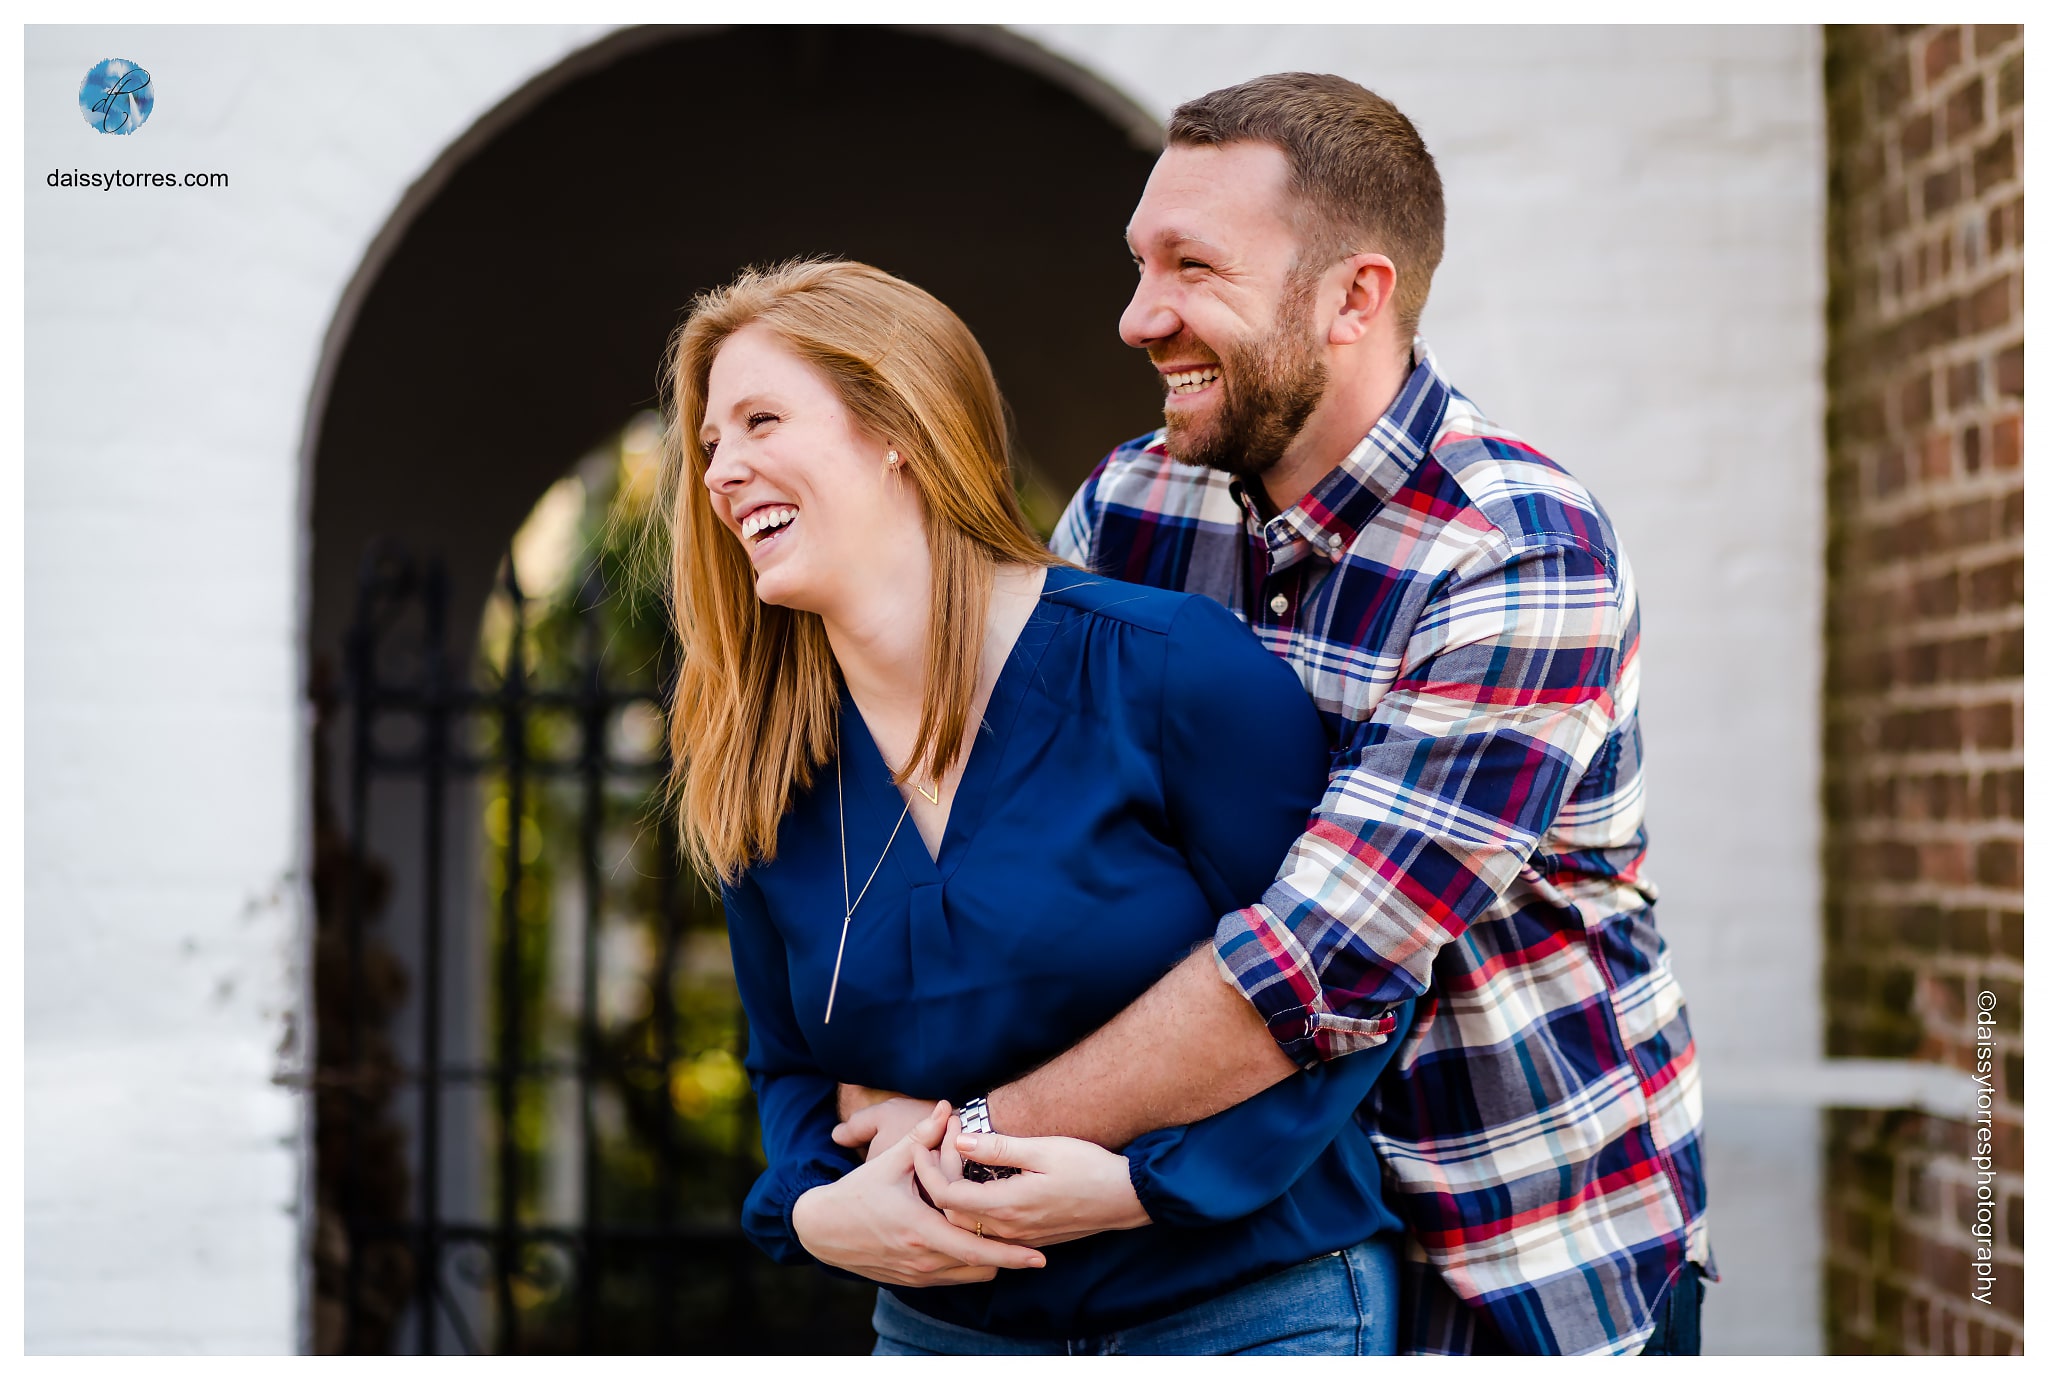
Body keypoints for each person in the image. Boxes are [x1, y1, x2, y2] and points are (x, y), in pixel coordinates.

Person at [835, 72, 1713, 1355]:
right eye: (1139, 265)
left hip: (1512, 1253)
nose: (1138, 318)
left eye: (1193, 268)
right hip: (1239, 1254)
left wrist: (966, 1138)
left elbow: (1314, 967)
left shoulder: (1516, 554)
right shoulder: (1129, 512)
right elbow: (1042, 865)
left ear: (1356, 296)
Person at [659, 257, 1415, 1354]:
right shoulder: (762, 763)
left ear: (895, 426)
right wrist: (818, 1211)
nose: (722, 470)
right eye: (709, 443)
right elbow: (789, 1068)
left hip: (1245, 1310)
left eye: (759, 420)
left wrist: (1141, 1185)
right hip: (943, 1334)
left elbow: (1342, 994)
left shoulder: (1164, 672)